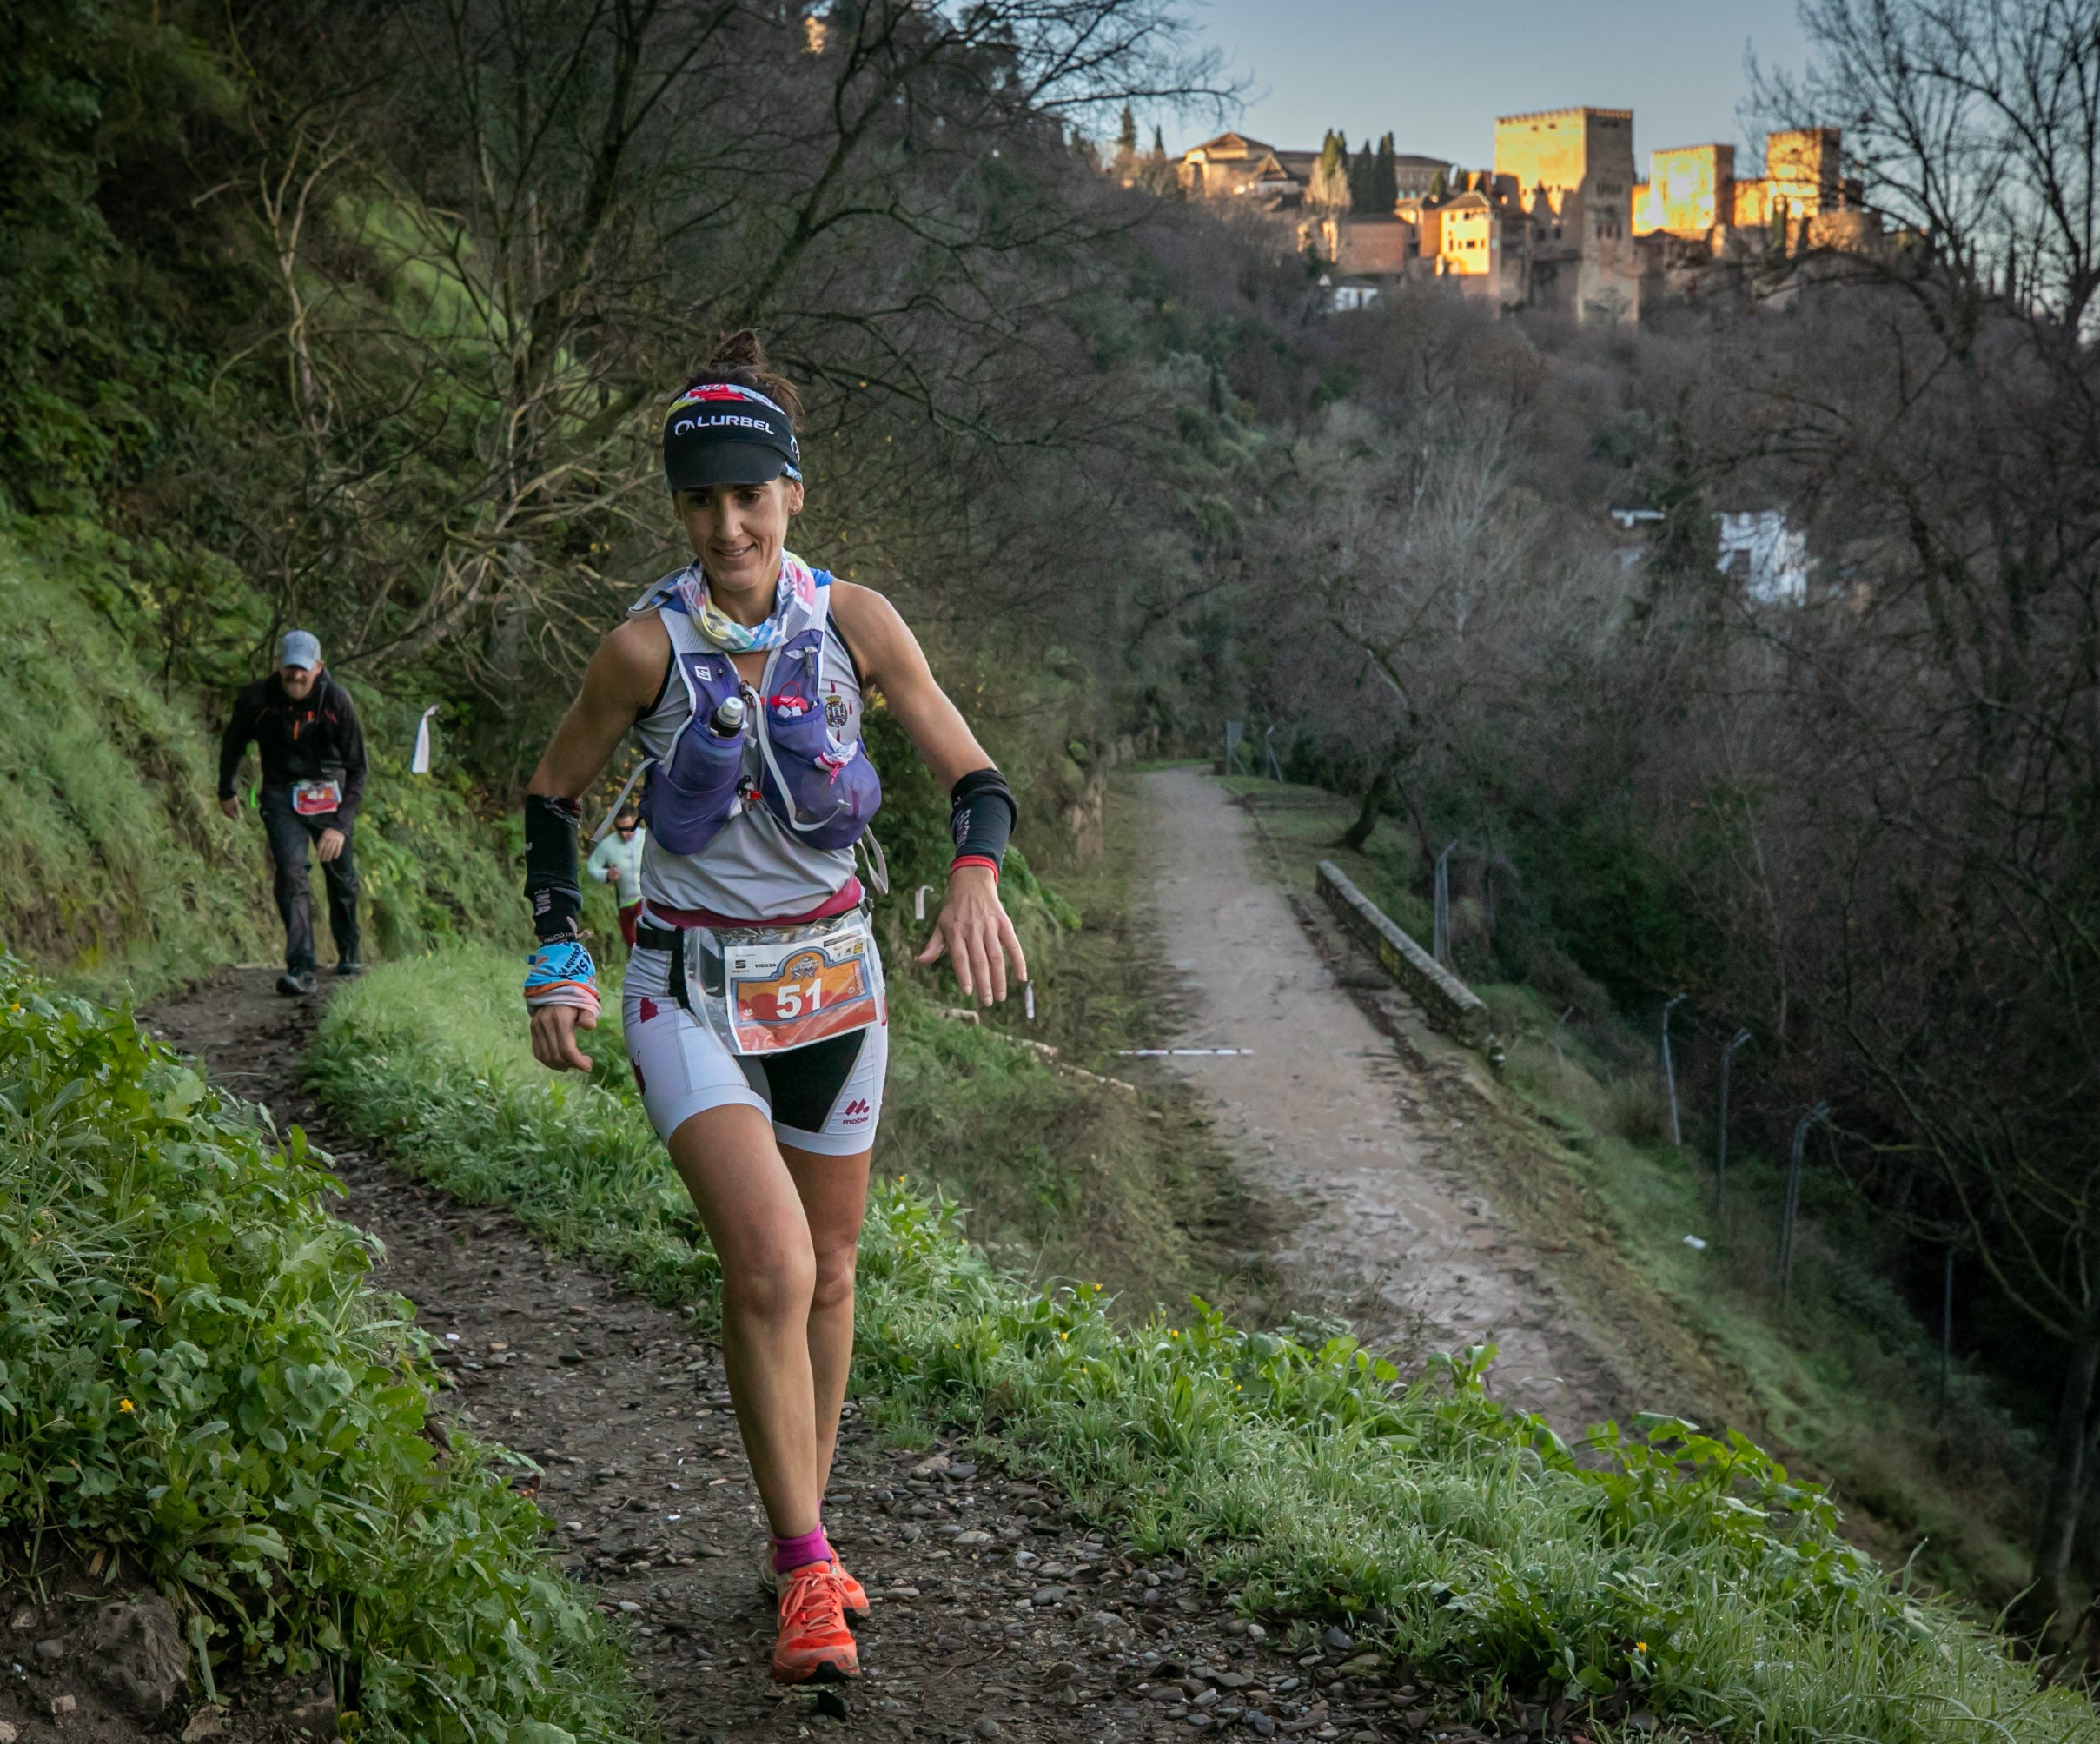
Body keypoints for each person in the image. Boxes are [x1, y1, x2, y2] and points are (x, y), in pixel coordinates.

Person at [520, 332, 1024, 1686]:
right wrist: (556, 952)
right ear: (680, 509)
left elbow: (975, 776)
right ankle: (807, 1568)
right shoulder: (643, 646)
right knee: (775, 1265)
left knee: (836, 1270)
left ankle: (798, 1522)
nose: (727, 523)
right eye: (701, 501)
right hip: (688, 985)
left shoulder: (856, 623)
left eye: (750, 495)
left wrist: (974, 874)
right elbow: (550, 795)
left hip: (836, 987)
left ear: (792, 492)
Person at [217, 630, 368, 997]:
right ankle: (301, 968)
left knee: (341, 877)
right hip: (280, 795)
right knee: (291, 874)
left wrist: (340, 825)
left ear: (318, 667)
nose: (296, 677)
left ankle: (349, 952)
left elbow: (358, 768)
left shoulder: (336, 701)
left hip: (329, 795)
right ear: (278, 666)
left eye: (303, 669)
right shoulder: (256, 699)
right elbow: (234, 742)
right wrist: (226, 789)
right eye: (289, 669)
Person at [586, 806, 647, 950]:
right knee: (632, 945)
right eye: (621, 829)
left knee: (643, 928)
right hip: (624, 901)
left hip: (646, 898)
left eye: (629, 828)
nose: (626, 834)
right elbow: (592, 866)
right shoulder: (608, 844)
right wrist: (607, 874)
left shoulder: (647, 838)